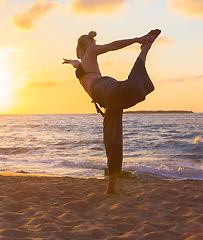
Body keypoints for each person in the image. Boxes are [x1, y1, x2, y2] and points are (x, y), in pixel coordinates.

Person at [63, 29, 161, 194]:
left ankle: (145, 48)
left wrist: (137, 39)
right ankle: (111, 189)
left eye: (76, 49)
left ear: (80, 46)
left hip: (103, 89)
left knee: (135, 88)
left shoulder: (90, 51)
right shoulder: (83, 62)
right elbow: (76, 63)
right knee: (112, 141)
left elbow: (113, 46)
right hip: (107, 101)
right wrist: (70, 61)